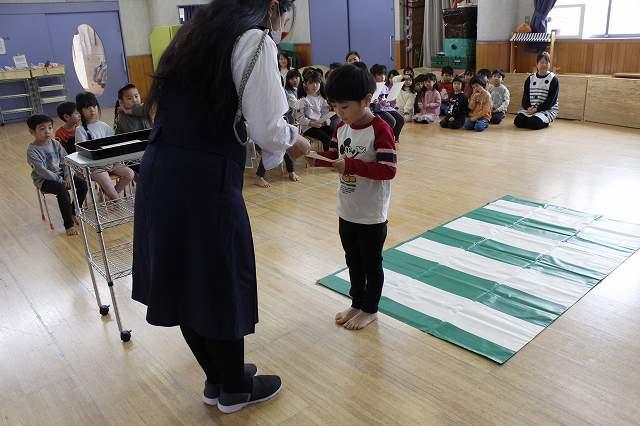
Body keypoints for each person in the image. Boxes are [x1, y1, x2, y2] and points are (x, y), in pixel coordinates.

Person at [132, 0, 310, 414]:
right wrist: (294, 141)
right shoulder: (254, 39)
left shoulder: (193, 35)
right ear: (273, 6)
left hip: (160, 168)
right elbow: (268, 127)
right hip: (204, 177)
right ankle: (235, 389)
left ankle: (217, 377)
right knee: (220, 278)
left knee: (185, 280)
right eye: (285, 17)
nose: (282, 26)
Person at [317, 64, 397, 330]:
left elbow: (388, 169)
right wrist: (312, 157)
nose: (339, 113)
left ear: (366, 100)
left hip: (371, 214)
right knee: (352, 261)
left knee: (371, 265)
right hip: (347, 209)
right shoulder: (341, 127)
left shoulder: (380, 129)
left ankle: (370, 309)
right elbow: (334, 156)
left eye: (345, 107)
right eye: (335, 107)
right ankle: (356, 302)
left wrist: (351, 165)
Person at [27, 114, 88, 236]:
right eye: (42, 128)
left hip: (61, 176)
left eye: (49, 127)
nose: (47, 131)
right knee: (62, 190)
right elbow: (42, 171)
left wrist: (67, 176)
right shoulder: (32, 150)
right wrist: (61, 180)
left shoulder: (55, 144)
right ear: (32, 131)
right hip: (44, 180)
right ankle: (69, 225)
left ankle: (72, 211)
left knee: (82, 184)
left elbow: (66, 161)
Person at [75, 92, 135, 200]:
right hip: (94, 167)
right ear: (80, 111)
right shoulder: (80, 130)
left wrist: (111, 162)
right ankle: (117, 203)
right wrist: (102, 164)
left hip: (110, 163)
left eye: (94, 106)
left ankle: (110, 197)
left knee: (129, 173)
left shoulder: (104, 126)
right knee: (106, 180)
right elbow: (83, 154)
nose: (92, 110)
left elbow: (114, 146)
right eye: (87, 107)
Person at [514, 51, 559, 130]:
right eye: (541, 62)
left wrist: (537, 109)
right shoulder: (530, 79)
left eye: (546, 63)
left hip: (546, 110)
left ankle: (543, 121)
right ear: (537, 64)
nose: (544, 65)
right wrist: (528, 107)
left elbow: (551, 100)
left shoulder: (553, 79)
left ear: (549, 64)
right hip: (531, 108)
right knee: (518, 121)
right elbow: (525, 97)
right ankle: (533, 119)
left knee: (534, 123)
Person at [295, 68, 333, 150]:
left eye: (317, 82)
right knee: (327, 139)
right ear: (305, 84)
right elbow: (299, 118)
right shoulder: (303, 100)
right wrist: (311, 123)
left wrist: (326, 119)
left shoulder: (321, 98)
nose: (314, 85)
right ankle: (327, 156)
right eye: (311, 83)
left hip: (320, 125)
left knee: (335, 134)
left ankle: (337, 154)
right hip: (308, 127)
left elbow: (324, 112)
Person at [370, 64, 404, 143]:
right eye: (379, 74)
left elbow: (389, 102)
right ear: (373, 76)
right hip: (378, 110)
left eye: (384, 74)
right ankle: (386, 138)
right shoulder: (372, 87)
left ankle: (395, 139)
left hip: (386, 108)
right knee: (391, 121)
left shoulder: (385, 87)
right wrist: (379, 103)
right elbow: (373, 104)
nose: (383, 77)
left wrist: (392, 99)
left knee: (401, 119)